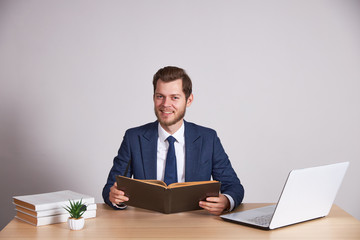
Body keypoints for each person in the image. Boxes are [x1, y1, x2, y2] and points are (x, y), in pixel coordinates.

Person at [102, 66, 244, 215]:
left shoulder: (208, 138)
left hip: (195, 224)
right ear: (153, 97)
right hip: (146, 224)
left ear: (189, 100)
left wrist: (226, 201)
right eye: (160, 96)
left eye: (174, 97)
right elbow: (110, 188)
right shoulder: (133, 138)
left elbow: (234, 186)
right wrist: (115, 198)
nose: (165, 104)